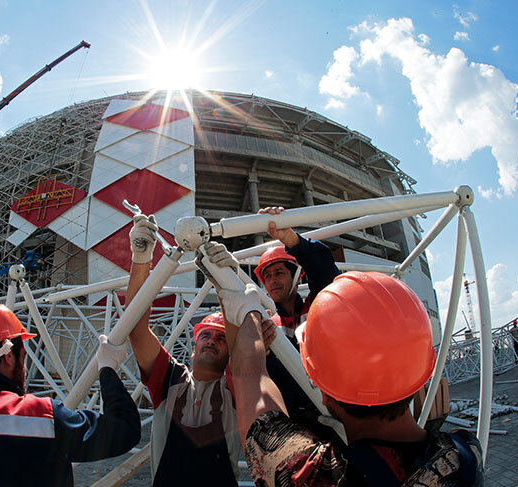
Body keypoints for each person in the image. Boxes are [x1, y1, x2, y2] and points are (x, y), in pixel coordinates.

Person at [219, 271, 484, 486]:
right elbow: (249, 377)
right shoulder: (465, 454)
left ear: (320, 387)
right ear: (422, 372)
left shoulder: (312, 474)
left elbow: (247, 376)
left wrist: (248, 312)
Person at [0, 302, 141, 486]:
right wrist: (108, 368)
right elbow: (124, 430)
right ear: (9, 356)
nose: (25, 367)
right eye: (24, 356)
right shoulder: (42, 416)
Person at [126, 214, 240, 486]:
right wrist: (141, 258)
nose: (212, 341)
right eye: (207, 336)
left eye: (221, 339)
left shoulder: (235, 389)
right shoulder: (169, 379)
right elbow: (137, 329)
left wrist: (229, 285)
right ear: (193, 346)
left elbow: (242, 346)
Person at [254, 206, 340, 425]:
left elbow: (325, 271)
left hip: (336, 419)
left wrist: (290, 238)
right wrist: (260, 354)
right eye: (267, 276)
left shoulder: (319, 306)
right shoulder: (266, 326)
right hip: (292, 425)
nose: (272, 280)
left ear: (296, 278)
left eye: (279, 273)